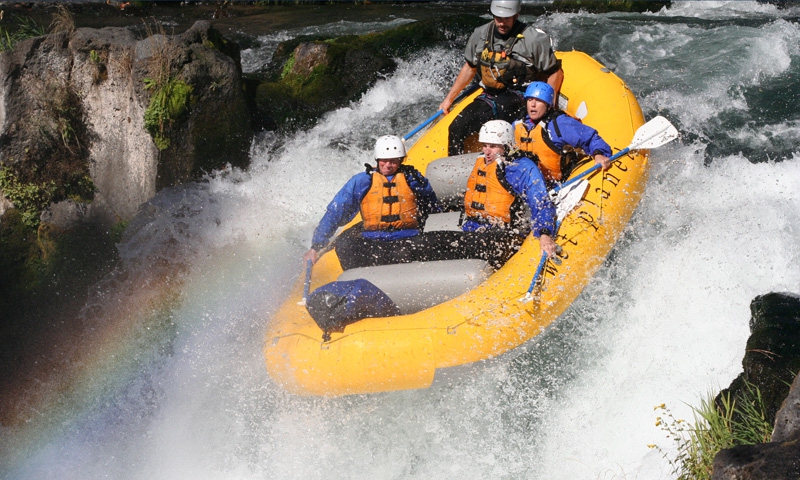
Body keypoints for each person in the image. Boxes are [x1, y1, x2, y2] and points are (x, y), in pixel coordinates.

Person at [423, 119, 557, 268]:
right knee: (431, 240)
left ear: (506, 145)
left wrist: (545, 234)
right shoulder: (483, 162)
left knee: (444, 243)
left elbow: (540, 201)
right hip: (474, 230)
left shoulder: (520, 167)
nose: (486, 151)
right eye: (484, 146)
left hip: (504, 236)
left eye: (492, 147)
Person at [439, 0, 564, 156]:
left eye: (506, 18)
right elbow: (470, 67)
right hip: (489, 94)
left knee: (499, 109)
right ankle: (453, 170)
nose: (501, 22)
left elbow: (555, 72)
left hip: (520, 94)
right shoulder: (480, 34)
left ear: (516, 15)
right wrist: (449, 99)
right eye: (498, 17)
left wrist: (548, 106)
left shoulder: (533, 39)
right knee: (457, 127)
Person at [303, 135, 442, 270]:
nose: (388, 165)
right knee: (344, 245)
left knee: (420, 247)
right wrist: (316, 247)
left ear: (401, 160)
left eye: (393, 161)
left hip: (408, 238)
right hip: (373, 242)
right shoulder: (362, 181)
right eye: (384, 161)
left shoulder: (413, 178)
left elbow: (432, 206)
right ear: (377, 159)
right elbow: (335, 212)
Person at [513, 81, 612, 184]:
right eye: (530, 100)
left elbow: (591, 138)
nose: (533, 105)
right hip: (526, 181)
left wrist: (599, 154)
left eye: (538, 101)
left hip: (555, 183)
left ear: (548, 105)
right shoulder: (518, 124)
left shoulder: (560, 124)